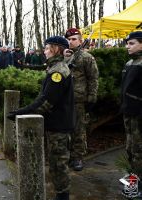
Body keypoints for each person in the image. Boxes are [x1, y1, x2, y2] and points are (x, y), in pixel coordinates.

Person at [7, 36, 74, 200]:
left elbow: (46, 101)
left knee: (58, 164)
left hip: (59, 126)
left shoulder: (57, 71)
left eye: (46, 48)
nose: (44, 52)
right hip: (57, 124)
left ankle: (62, 196)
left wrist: (21, 112)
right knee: (56, 163)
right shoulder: (55, 68)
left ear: (56, 49)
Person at [64, 28, 99, 171]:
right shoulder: (63, 56)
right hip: (64, 99)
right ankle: (67, 156)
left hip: (79, 99)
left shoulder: (86, 57)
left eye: (73, 39)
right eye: (69, 39)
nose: (70, 42)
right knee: (65, 129)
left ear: (80, 40)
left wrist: (91, 97)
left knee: (78, 130)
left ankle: (77, 157)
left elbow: (93, 78)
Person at [121, 31, 142, 195]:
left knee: (138, 151)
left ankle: (137, 187)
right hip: (128, 113)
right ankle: (133, 184)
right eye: (127, 43)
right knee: (130, 149)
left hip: (139, 114)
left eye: (132, 43)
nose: (128, 46)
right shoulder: (130, 63)